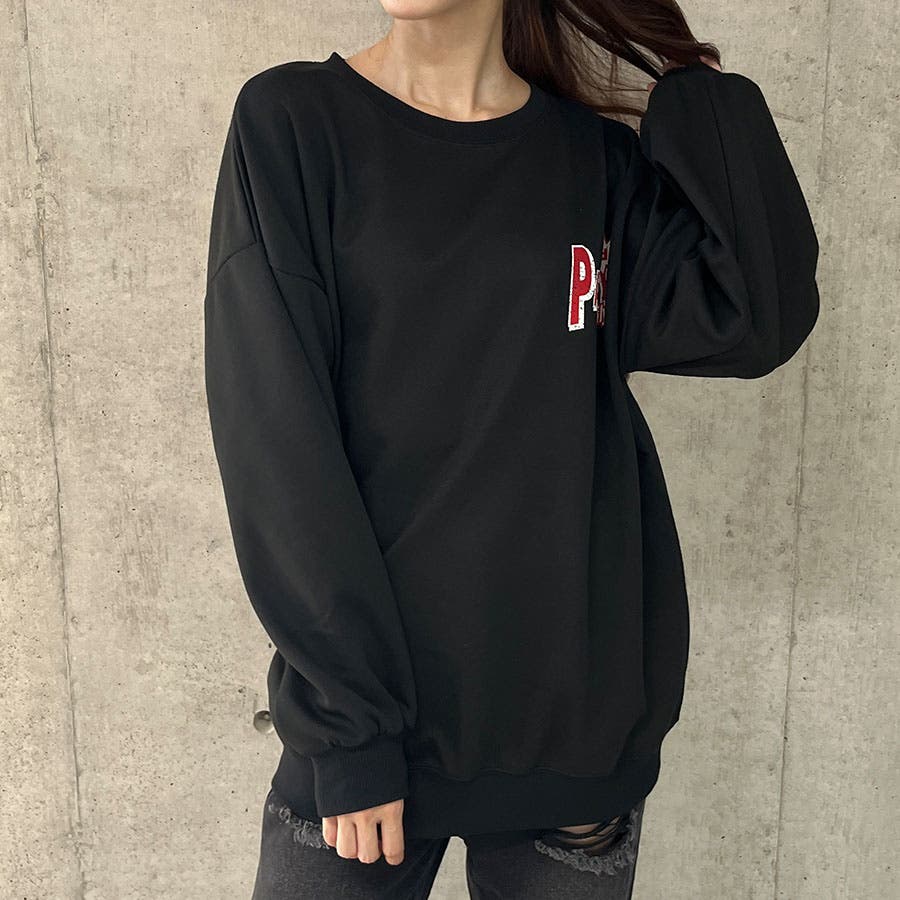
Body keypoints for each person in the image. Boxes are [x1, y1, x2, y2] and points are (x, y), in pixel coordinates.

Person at [202, 1, 820, 897]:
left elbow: (756, 315)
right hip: (369, 745)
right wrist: (351, 730)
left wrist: (689, 78)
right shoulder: (294, 124)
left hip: (573, 743)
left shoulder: (590, 160)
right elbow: (274, 442)